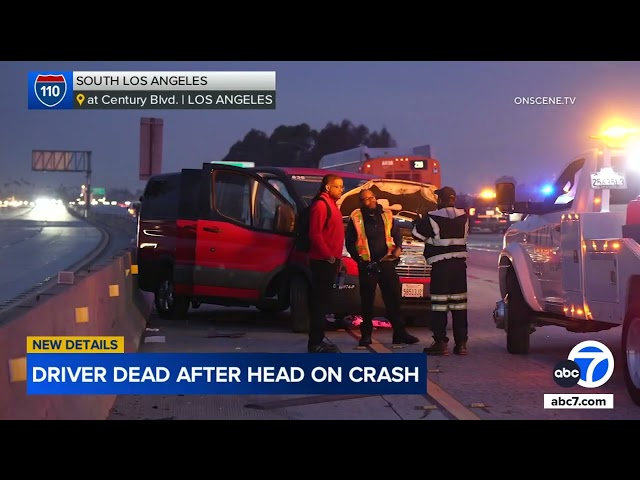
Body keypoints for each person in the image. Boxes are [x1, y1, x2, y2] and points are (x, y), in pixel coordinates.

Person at [345, 188, 419, 348]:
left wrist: (398, 247)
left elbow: (396, 234)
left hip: (386, 262)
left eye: (372, 197)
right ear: (361, 202)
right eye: (365, 199)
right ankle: (366, 335)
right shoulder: (356, 217)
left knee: (393, 299)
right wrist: (359, 260)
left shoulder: (386, 214)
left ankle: (400, 333)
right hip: (367, 265)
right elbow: (350, 243)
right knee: (367, 302)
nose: (370, 201)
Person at [412, 186, 470, 355]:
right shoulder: (465, 217)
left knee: (439, 306)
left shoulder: (432, 217)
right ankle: (461, 344)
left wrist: (419, 220)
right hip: (459, 267)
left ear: (440, 200)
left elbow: (417, 233)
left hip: (440, 266)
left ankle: (440, 343)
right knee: (459, 306)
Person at [307, 174, 345, 353]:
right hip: (322, 262)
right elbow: (315, 234)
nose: (341, 189)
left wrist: (338, 260)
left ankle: (319, 340)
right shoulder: (321, 206)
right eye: (338, 186)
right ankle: (315, 343)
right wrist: (328, 256)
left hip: (330, 261)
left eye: (342, 186)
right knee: (319, 304)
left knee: (323, 303)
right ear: (328, 188)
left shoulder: (331, 205)